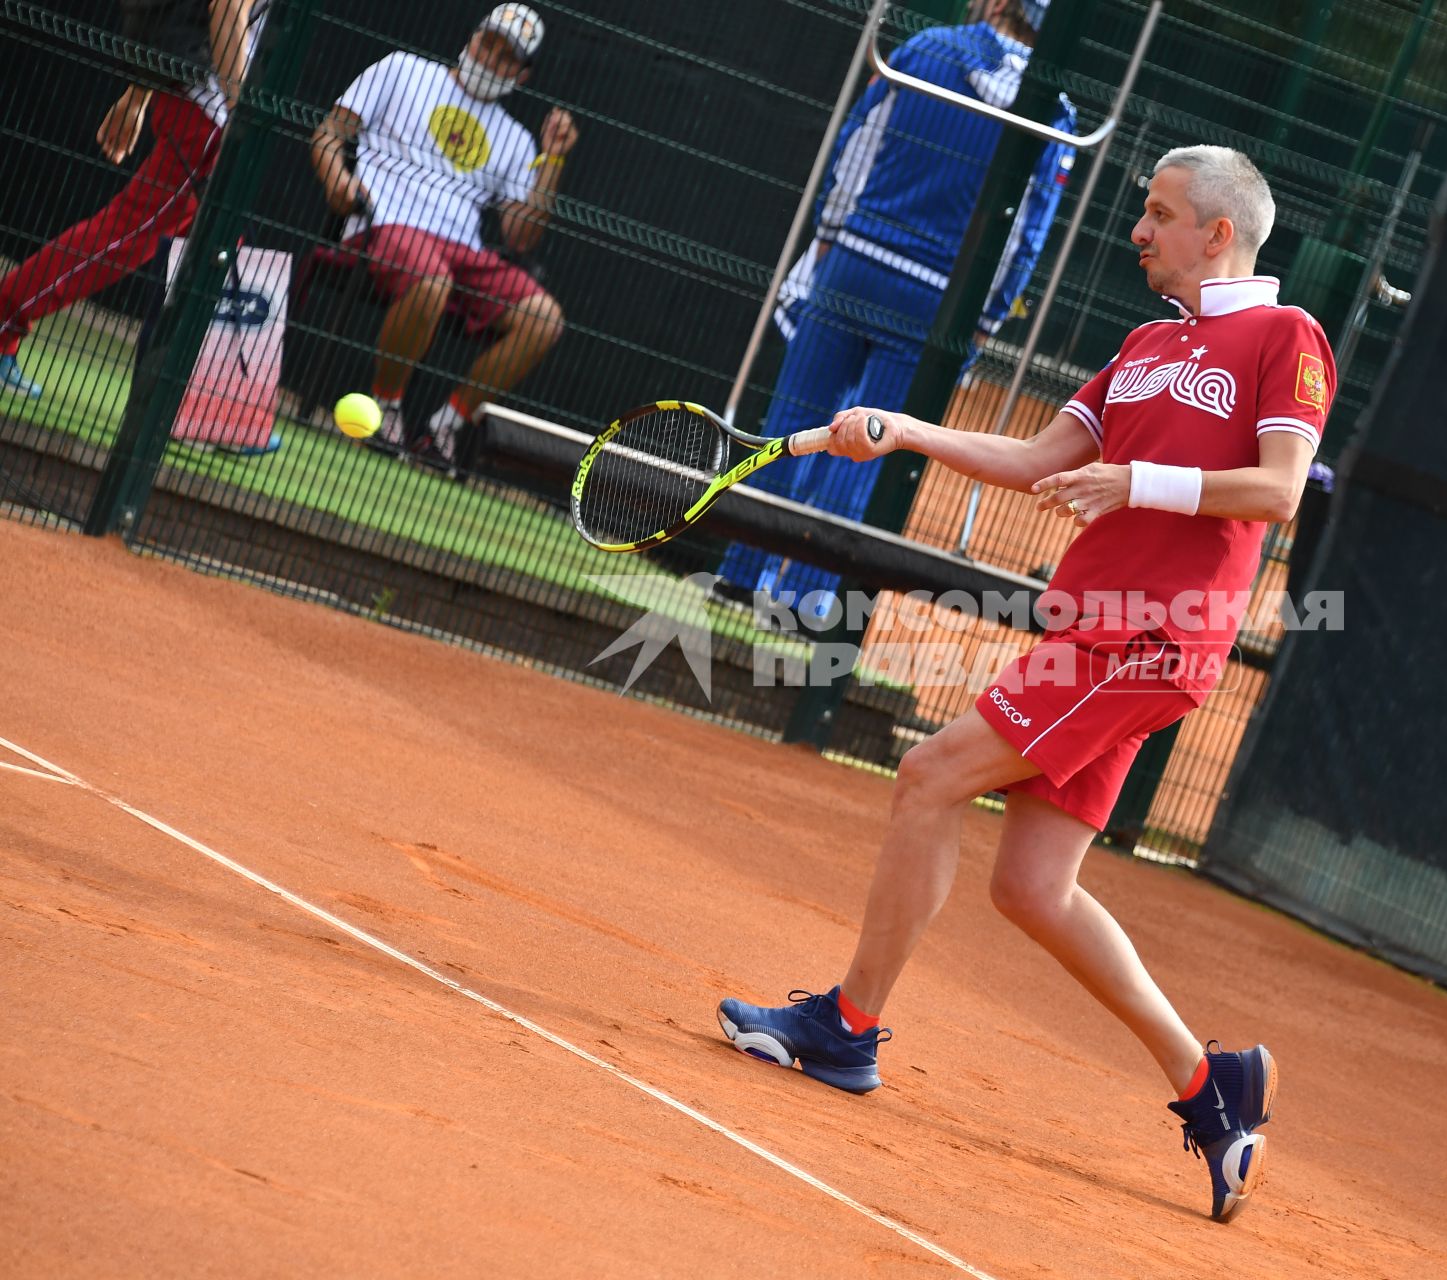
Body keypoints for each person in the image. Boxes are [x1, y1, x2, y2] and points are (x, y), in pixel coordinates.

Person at [716, 145, 1335, 1224]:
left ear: (1218, 233)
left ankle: (847, 1029)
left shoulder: (1287, 337)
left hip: (1151, 635)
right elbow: (1041, 456)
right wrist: (906, 429)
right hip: (1090, 629)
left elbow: (1280, 491)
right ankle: (1213, 1086)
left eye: (1159, 212)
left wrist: (1139, 480)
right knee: (1032, 886)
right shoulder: (1145, 345)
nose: (1139, 229)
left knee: (927, 775)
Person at [715, 0, 1074, 613]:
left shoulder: (926, 47)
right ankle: (806, 601)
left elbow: (856, 147)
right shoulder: (1053, 109)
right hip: (936, 303)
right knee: (872, 448)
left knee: (791, 418)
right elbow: (1027, 232)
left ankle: (738, 576)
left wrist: (830, 235)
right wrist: (987, 316)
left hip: (853, 262)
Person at [308, 4, 577, 476]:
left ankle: (444, 429)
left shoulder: (516, 139)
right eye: (487, 44)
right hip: (383, 225)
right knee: (431, 280)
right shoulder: (402, 69)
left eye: (507, 57)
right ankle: (386, 410)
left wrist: (552, 161)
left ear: (523, 75)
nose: (491, 59)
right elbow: (330, 133)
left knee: (545, 319)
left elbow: (522, 236)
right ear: (471, 38)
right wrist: (337, 181)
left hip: (462, 253)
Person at [1, 0, 275, 452]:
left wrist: (136, 96)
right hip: (207, 119)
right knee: (124, 238)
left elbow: (181, 21)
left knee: (215, 256)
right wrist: (239, 119)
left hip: (197, 106)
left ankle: (211, 412)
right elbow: (227, 9)